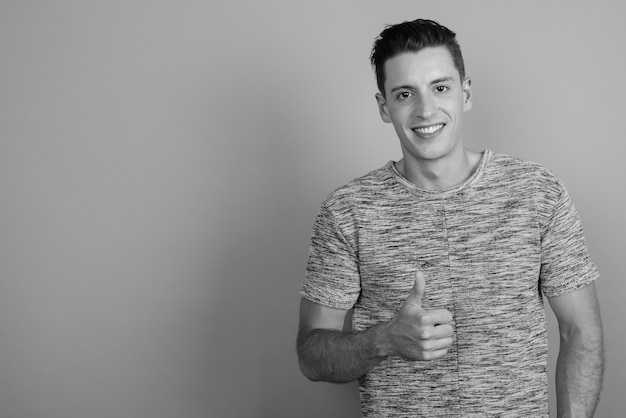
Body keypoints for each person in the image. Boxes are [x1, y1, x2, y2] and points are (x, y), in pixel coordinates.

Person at [296, 18, 604, 417]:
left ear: (466, 92)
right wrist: (384, 340)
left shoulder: (537, 192)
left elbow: (580, 331)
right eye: (405, 93)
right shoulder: (347, 211)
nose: (426, 110)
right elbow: (311, 354)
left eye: (440, 87)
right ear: (384, 107)